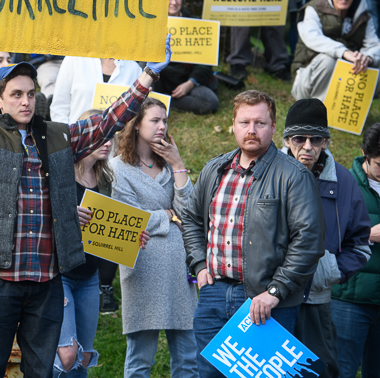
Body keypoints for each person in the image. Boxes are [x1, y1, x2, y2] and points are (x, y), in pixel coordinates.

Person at [0, 25, 171, 378]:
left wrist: (148, 74)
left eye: (30, 93)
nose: (25, 101)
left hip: (47, 280)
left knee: (41, 371)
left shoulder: (58, 135)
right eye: (16, 94)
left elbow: (108, 122)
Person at [181, 90, 325, 378]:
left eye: (260, 123)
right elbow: (191, 218)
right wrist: (198, 265)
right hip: (213, 295)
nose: (251, 130)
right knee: (208, 375)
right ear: (233, 124)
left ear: (273, 128)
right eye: (244, 122)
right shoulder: (215, 169)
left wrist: (275, 292)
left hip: (269, 303)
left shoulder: (295, 176)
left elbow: (308, 242)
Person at [280, 99, 371, 378]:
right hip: (267, 298)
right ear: (285, 139)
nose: (307, 146)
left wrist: (328, 271)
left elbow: (361, 242)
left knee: (318, 372)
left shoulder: (343, 181)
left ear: (326, 142)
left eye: (316, 138)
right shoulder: (266, 171)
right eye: (299, 138)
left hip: (315, 300)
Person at [111, 99, 198, 378]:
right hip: (141, 267)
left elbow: (190, 213)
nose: (162, 126)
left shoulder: (171, 166)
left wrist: (179, 163)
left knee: (187, 359)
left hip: (178, 267)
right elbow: (128, 220)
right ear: (136, 125)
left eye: (165, 121)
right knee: (139, 361)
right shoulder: (118, 168)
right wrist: (167, 216)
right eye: (155, 120)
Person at [54, 110, 116, 378]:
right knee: (67, 354)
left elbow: (111, 230)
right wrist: (68, 215)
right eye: (101, 136)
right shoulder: (60, 174)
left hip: (89, 275)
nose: (108, 142)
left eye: (111, 136)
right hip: (61, 273)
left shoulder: (105, 180)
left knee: (84, 356)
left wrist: (132, 238)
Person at [332, 123, 380, 378]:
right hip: (350, 299)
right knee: (343, 370)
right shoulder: (342, 184)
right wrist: (369, 234)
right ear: (365, 154)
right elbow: (324, 237)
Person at [291, 0, 380, 100]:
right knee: (329, 61)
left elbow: (375, 45)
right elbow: (312, 38)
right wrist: (344, 53)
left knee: (371, 61)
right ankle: (315, 112)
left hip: (346, 79)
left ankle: (353, 112)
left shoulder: (364, 15)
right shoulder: (312, 9)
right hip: (306, 80)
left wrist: (366, 58)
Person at [156, 0, 219, 114]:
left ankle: (163, 102)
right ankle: (158, 99)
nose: (174, 2)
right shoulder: (153, 25)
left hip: (187, 82)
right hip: (160, 80)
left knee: (211, 102)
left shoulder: (196, 24)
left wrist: (190, 83)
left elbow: (205, 63)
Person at [50, 56, 142, 123]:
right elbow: (59, 107)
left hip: (118, 144)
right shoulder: (75, 59)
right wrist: (67, 139)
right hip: (78, 142)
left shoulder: (134, 69)